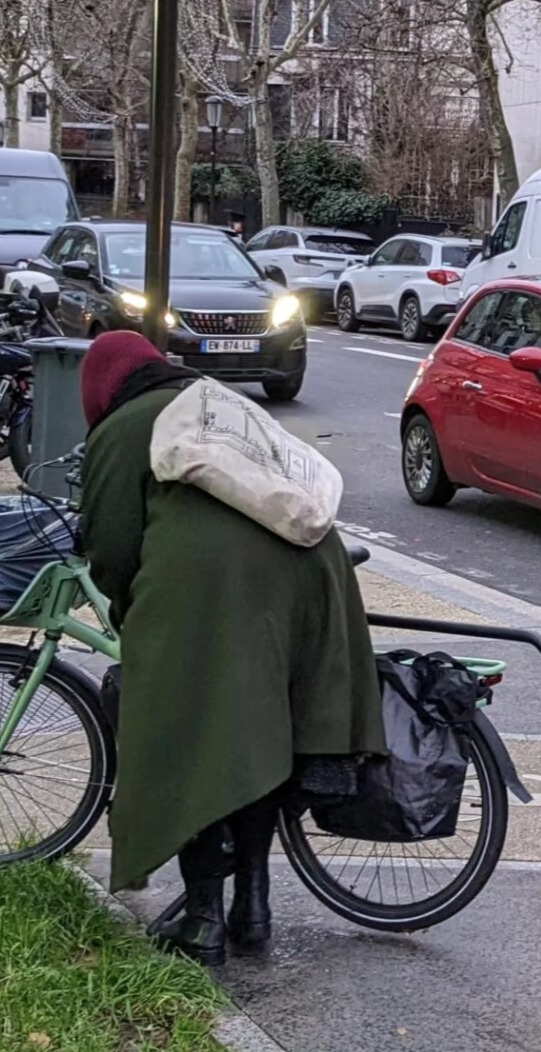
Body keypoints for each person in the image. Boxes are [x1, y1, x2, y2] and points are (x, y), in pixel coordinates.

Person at [78, 331, 386, 965]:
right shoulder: (217, 401)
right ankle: (253, 908)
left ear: (102, 389)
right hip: (316, 583)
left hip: (215, 594)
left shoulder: (123, 425)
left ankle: (202, 920)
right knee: (261, 747)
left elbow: (108, 546)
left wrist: (132, 613)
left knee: (194, 744)